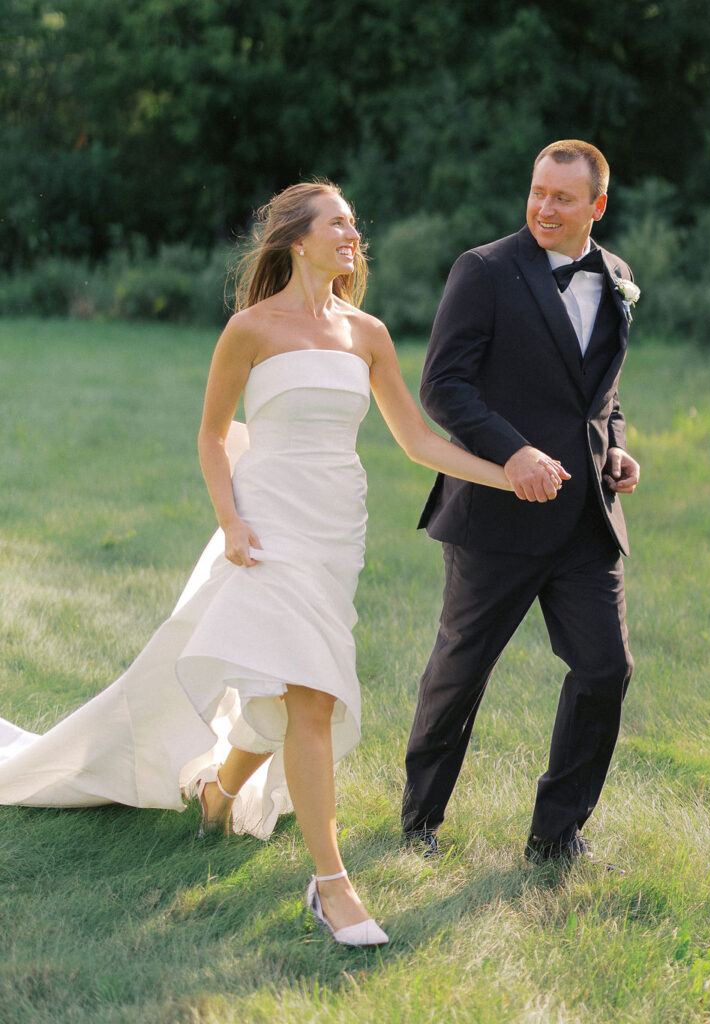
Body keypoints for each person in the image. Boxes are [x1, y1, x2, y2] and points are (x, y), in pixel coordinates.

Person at [0, 180, 512, 947]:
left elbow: (417, 440)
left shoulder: (367, 332)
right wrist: (231, 522)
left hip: (337, 524)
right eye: (337, 224)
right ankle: (332, 887)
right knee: (310, 694)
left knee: (295, 684)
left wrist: (512, 472)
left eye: (353, 226)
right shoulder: (249, 329)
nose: (353, 236)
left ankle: (216, 786)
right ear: (296, 240)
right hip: (269, 523)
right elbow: (212, 436)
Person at [401, 140, 640, 867]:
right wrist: (512, 452)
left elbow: (599, 392)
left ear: (596, 206)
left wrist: (617, 445)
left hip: (585, 518)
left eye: (562, 198)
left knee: (607, 669)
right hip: (497, 517)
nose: (544, 207)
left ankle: (556, 833)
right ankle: (419, 823)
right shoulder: (484, 270)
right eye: (537, 191)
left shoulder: (619, 277)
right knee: (462, 671)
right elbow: (444, 385)